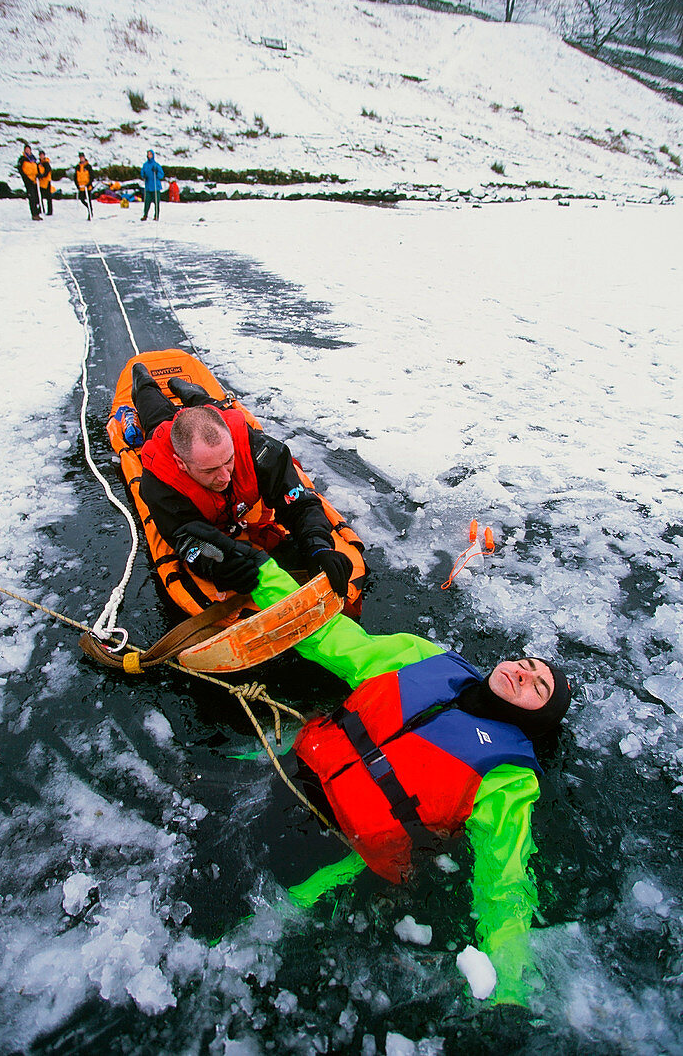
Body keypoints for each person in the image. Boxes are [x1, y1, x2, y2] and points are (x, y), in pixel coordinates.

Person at [249, 556, 572, 1007]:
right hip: (287, 774)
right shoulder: (422, 659)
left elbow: (505, 884)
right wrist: (260, 571)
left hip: (342, 850)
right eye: (527, 663)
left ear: (537, 720)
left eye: (538, 688)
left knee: (247, 923)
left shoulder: (509, 778)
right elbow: (328, 635)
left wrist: (510, 990)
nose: (523, 672)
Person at [131, 363, 357, 600]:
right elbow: (183, 536)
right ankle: (144, 381)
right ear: (181, 464)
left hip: (209, 417)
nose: (225, 477)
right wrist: (217, 566)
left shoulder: (258, 450)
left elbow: (298, 502)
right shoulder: (159, 481)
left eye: (229, 461)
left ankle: (188, 391)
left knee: (208, 407)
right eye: (209, 470)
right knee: (154, 413)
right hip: (165, 433)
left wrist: (318, 546)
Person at [17, 143, 41, 221]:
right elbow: (20, 170)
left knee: (37, 197)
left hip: (34, 180)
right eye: (26, 150)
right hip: (28, 180)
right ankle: (34, 214)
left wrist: (38, 174)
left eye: (29, 149)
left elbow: (37, 168)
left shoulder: (33, 159)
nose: (28, 151)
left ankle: (37, 212)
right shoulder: (22, 159)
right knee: (32, 197)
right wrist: (26, 178)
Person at [140, 149, 164, 221]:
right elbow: (142, 173)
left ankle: (156, 216)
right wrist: (144, 176)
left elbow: (161, 175)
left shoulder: (156, 165)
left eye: (150, 154)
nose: (149, 155)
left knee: (156, 202)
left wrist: (156, 172)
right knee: (147, 202)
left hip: (156, 187)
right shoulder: (145, 165)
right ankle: (145, 215)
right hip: (148, 186)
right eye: (148, 154)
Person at [74, 152, 94, 220]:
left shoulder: (88, 166)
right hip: (81, 186)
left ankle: (90, 213)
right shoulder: (77, 167)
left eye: (82, 157)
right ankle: (88, 208)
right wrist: (77, 185)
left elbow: (92, 176)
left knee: (89, 200)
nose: (81, 158)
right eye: (80, 157)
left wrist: (89, 184)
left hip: (87, 186)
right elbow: (75, 177)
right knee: (82, 199)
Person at [37, 150, 53, 216]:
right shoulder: (39, 164)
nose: (41, 156)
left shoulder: (46, 163)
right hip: (41, 182)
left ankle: (50, 211)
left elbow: (47, 171)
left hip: (46, 181)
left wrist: (42, 175)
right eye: (40, 155)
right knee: (40, 196)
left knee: (48, 196)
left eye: (42, 155)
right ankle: (41, 208)